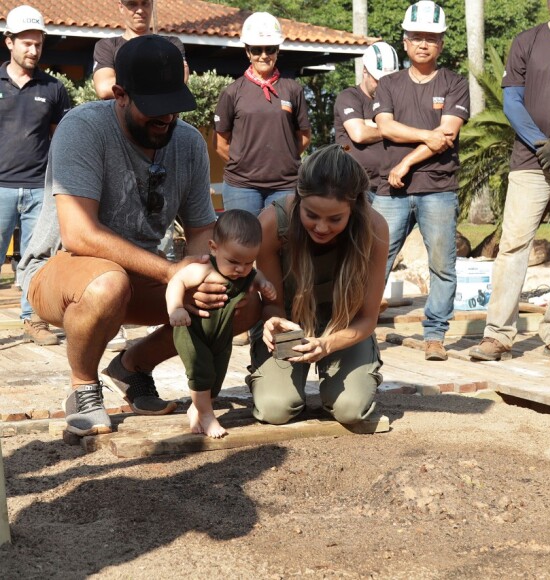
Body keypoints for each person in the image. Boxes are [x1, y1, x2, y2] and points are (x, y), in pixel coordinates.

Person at [18, 35, 225, 437]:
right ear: (120, 95)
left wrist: (200, 273)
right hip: (61, 271)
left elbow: (202, 228)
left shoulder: (188, 143)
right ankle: (83, 386)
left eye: (174, 109)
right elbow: (78, 234)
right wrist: (171, 273)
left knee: (232, 292)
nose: (166, 120)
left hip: (137, 275)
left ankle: (132, 367)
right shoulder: (83, 128)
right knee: (107, 283)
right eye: (154, 111)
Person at [470, 0, 550, 364]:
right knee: (513, 245)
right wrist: (542, 144)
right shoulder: (526, 41)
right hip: (529, 161)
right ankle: (497, 336)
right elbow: (512, 101)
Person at [247, 144, 389, 426]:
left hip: (345, 326)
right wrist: (272, 322)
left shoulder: (375, 229)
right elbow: (273, 304)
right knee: (276, 410)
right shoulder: (272, 224)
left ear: (354, 208)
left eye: (335, 219)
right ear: (299, 199)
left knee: (350, 410)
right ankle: (276, 384)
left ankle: (342, 381)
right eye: (311, 215)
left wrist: (327, 345)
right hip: (291, 325)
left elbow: (368, 318)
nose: (322, 228)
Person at [373, 0, 469, 361]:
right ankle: (361, 330)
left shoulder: (455, 84)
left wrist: (407, 161)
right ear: (405, 41)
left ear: (441, 43)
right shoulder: (389, 84)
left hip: (438, 188)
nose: (423, 43)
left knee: (442, 265)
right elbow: (386, 127)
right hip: (390, 191)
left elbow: (447, 134)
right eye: (416, 37)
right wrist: (427, 137)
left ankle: (435, 336)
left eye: (431, 37)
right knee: (375, 261)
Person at [92, 0, 190, 351]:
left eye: (144, 2)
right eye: (131, 2)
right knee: (109, 249)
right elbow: (102, 87)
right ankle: (110, 316)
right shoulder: (108, 46)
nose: (138, 9)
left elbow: (178, 82)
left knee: (157, 234)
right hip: (118, 151)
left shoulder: (172, 45)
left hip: (156, 160)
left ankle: (141, 352)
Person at [213, 11, 311, 345]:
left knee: (284, 253)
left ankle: (280, 318)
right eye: (257, 49)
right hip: (242, 186)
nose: (264, 55)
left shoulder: (292, 90)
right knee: (240, 254)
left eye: (269, 48)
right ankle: (241, 319)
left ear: (278, 49)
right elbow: (221, 141)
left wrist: (281, 160)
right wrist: (246, 164)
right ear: (247, 52)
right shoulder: (233, 92)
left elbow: (304, 136)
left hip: (285, 185)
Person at [168, 209, 276, 438]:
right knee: (201, 371)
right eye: (234, 261)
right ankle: (207, 415)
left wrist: (264, 283)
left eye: (248, 262)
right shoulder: (204, 269)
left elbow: (255, 275)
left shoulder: (246, 271)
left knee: (216, 376)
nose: (241, 269)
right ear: (214, 248)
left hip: (221, 334)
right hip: (192, 331)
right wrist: (176, 307)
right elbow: (177, 280)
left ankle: (197, 408)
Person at [0, 5, 71, 346]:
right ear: (9, 42)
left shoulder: (54, 88)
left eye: (38, 44)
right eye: (26, 43)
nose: (33, 50)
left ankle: (32, 321)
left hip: (39, 189)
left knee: (36, 260)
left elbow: (61, 138)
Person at [334, 41, 399, 195]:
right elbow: (359, 134)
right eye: (378, 80)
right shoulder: (349, 97)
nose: (383, 86)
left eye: (388, 80)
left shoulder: (398, 99)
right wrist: (393, 128)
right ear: (365, 71)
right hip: (356, 187)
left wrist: (369, 123)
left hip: (390, 184)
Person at [92, 0, 189, 99]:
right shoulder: (107, 46)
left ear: (152, 5)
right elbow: (104, 88)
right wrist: (159, 76)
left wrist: (127, 83)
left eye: (145, 3)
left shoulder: (171, 43)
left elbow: (179, 80)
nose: (140, 10)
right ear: (121, 7)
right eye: (132, 4)